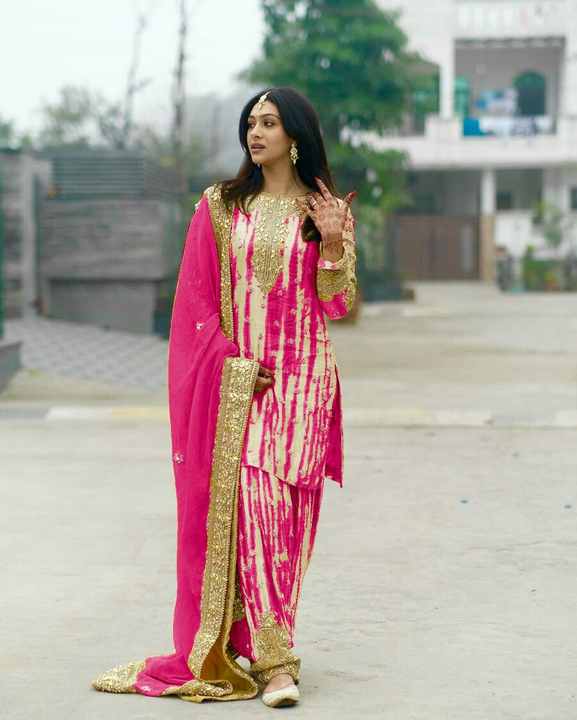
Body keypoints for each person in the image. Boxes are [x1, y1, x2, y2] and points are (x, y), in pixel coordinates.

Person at [92, 86, 357, 708]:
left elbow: (338, 304)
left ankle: (268, 640)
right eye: (250, 123)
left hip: (306, 387)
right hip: (243, 389)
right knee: (256, 516)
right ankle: (276, 665)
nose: (255, 133)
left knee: (290, 529)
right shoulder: (222, 206)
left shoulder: (324, 211)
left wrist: (334, 244)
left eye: (269, 123)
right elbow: (194, 303)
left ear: (295, 136)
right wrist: (233, 365)